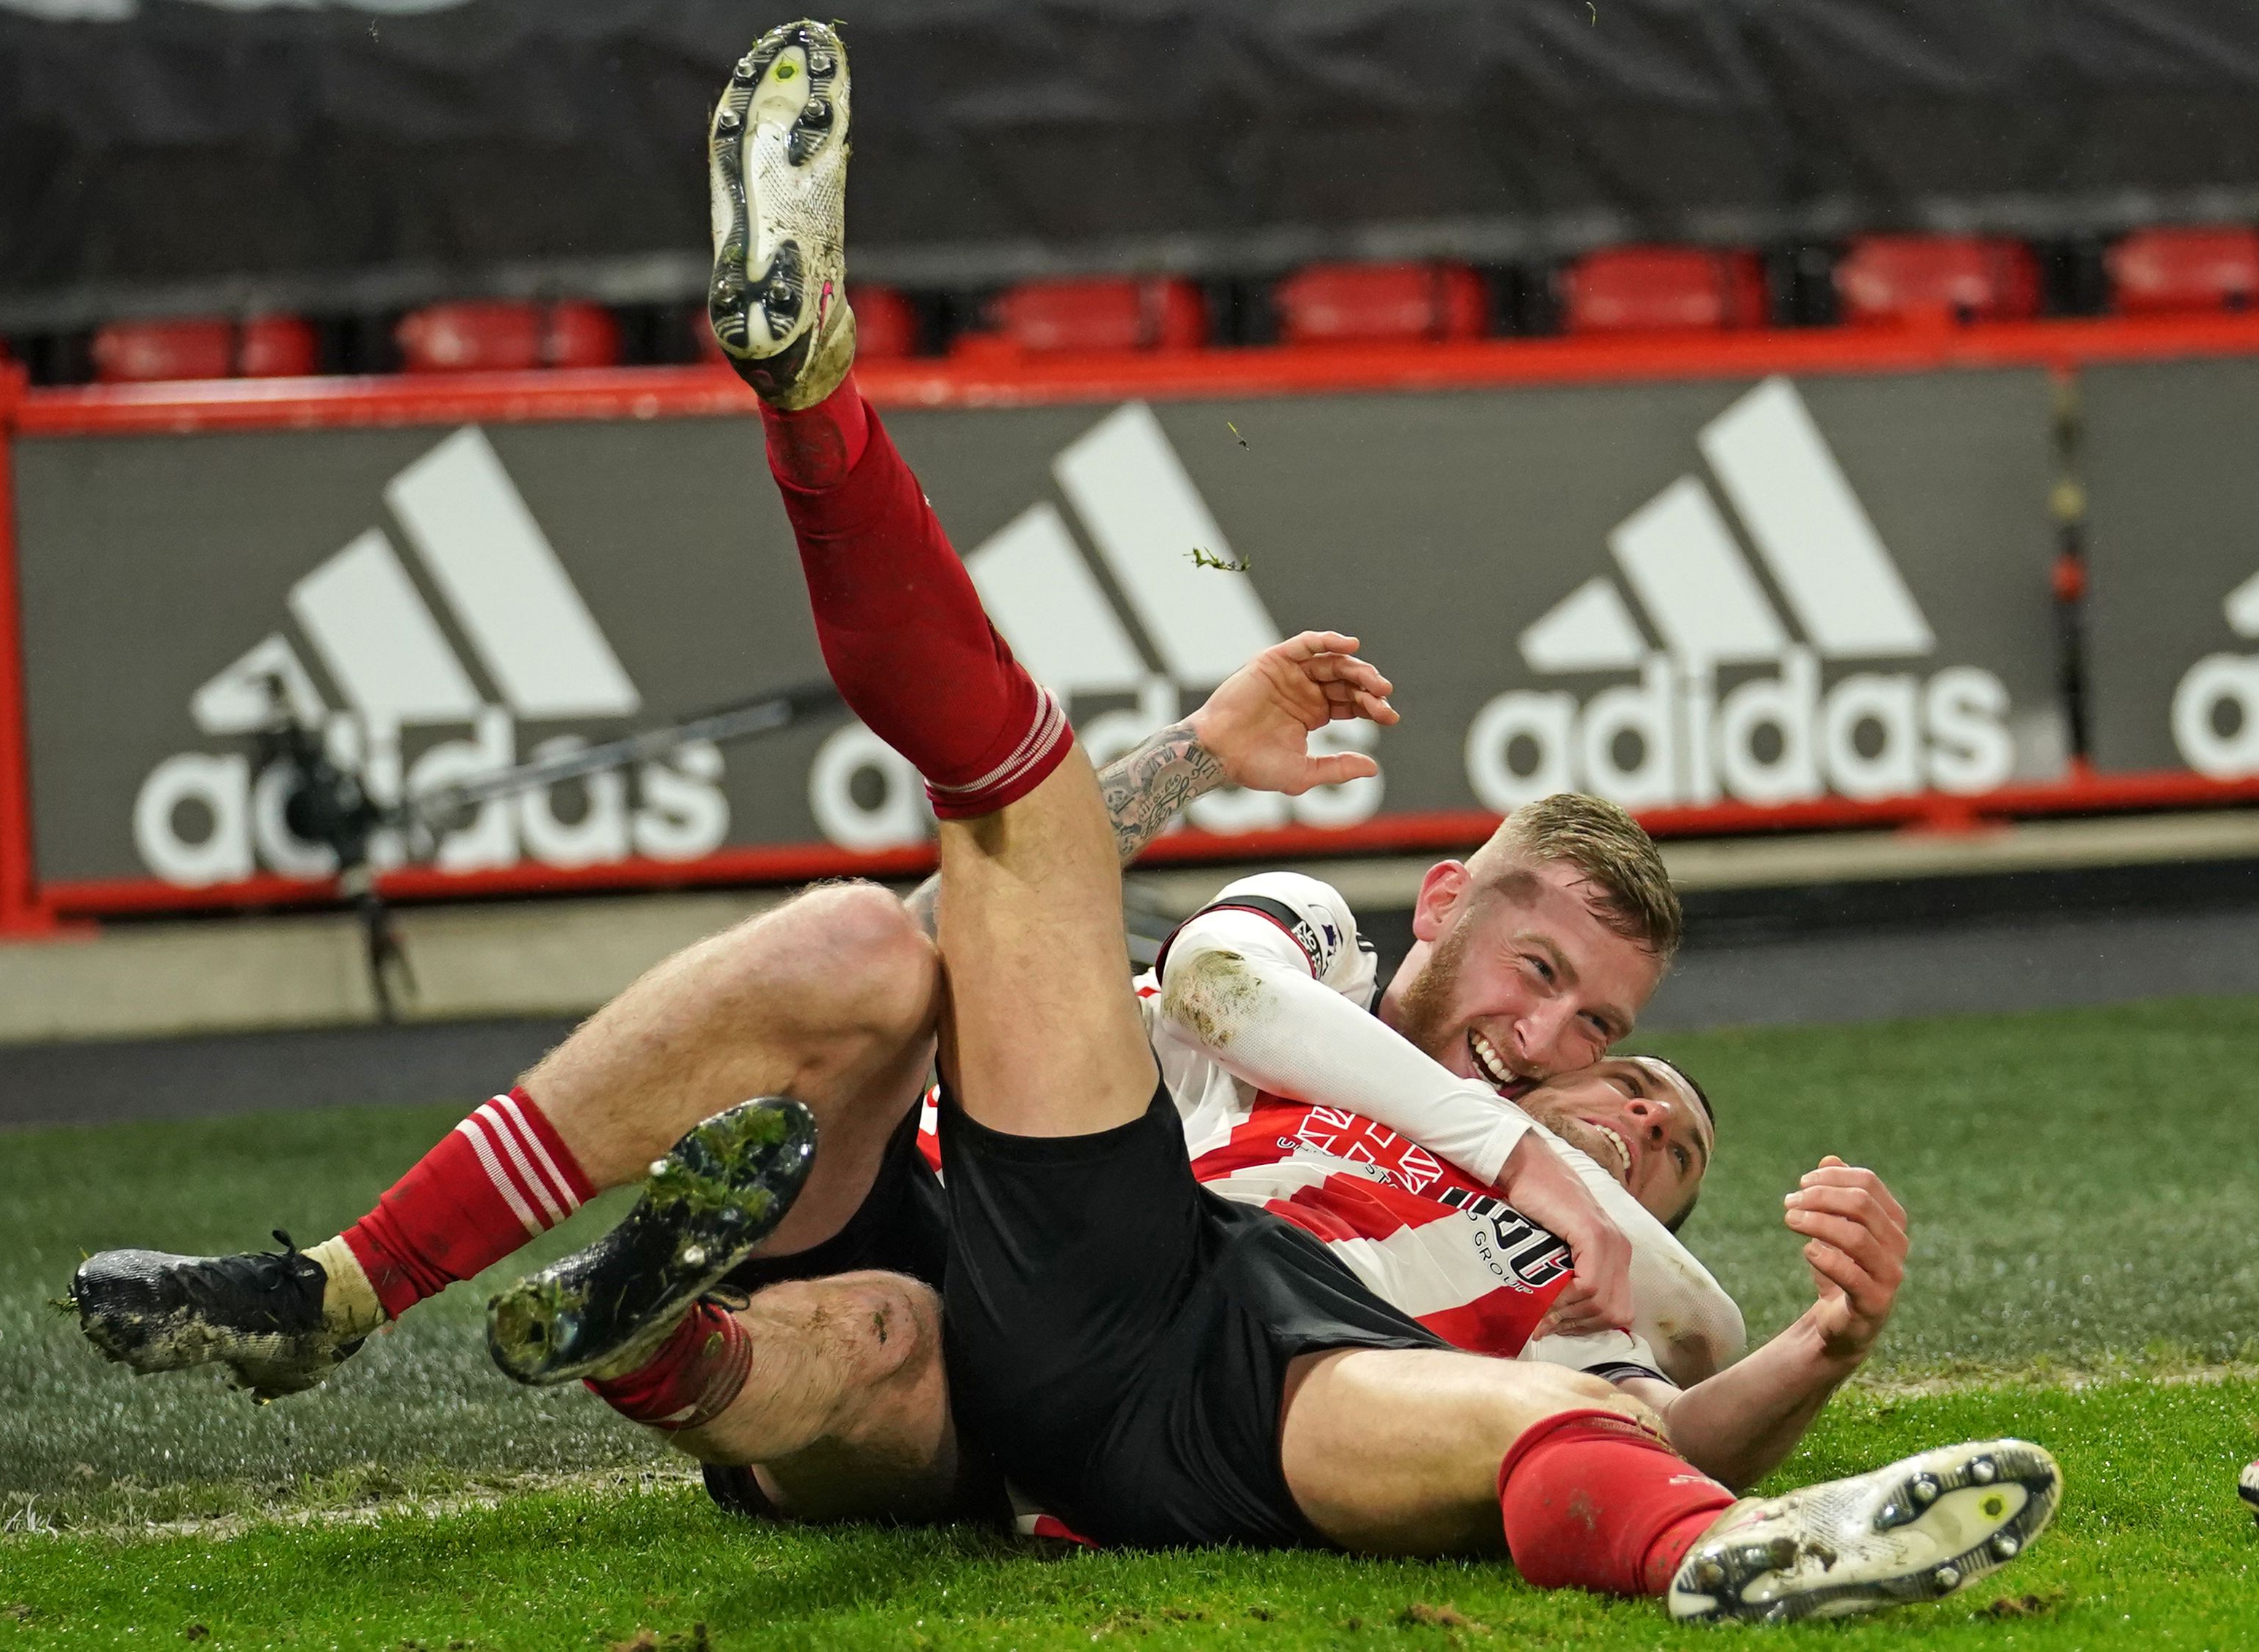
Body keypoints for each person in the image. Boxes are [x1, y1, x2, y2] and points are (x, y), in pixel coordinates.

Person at [482, 19, 2063, 1624]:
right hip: (992, 1212)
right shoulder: (1305, 954)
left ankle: (648, 1340)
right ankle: (811, 399)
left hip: (1178, 1373)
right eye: (1551, 981)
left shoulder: (1556, 1260)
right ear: (1440, 900)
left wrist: (1802, 1330)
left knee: (893, 1357)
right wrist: (1196, 761)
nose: (1585, 1058)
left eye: (1607, 1035)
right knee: (895, 958)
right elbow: (1064, 926)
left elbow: (1676, 1367)